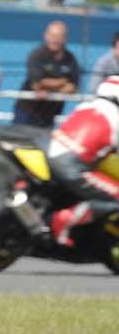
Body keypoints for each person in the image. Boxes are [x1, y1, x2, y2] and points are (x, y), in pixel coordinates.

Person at [46, 76, 119, 246]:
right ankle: (65, 219)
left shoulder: (85, 106)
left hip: (50, 151)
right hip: (73, 168)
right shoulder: (116, 121)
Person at [14, 21, 79, 128]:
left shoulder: (70, 59)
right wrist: (62, 82)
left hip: (50, 113)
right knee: (20, 142)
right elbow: (38, 84)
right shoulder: (37, 55)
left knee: (44, 143)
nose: (55, 39)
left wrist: (49, 88)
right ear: (46, 36)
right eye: (52, 35)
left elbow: (72, 87)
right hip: (28, 110)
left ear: (65, 38)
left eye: (59, 36)